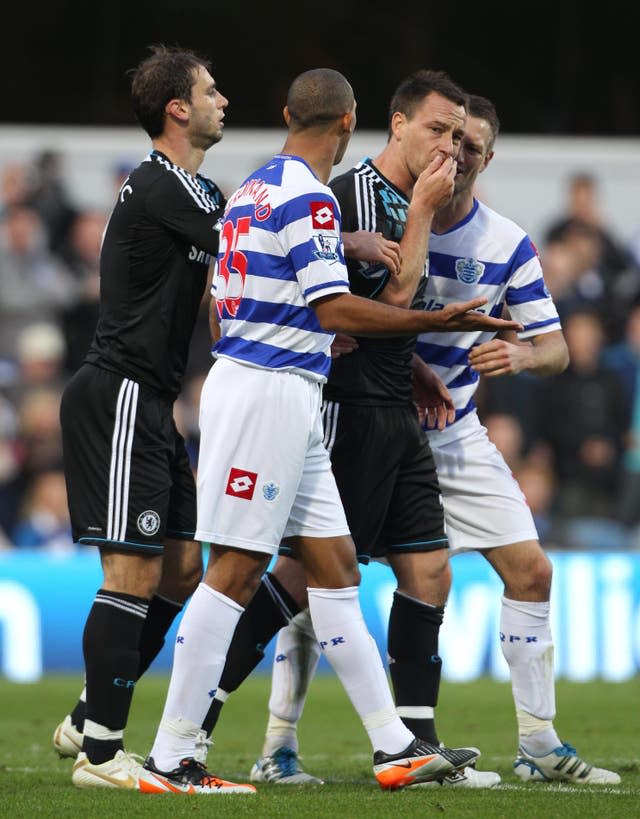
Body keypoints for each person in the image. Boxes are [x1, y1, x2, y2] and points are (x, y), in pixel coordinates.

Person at [137, 68, 523, 796]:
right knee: (237, 570)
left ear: (291, 113)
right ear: (351, 125)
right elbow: (336, 311)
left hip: (282, 386)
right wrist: (439, 322)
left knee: (338, 565)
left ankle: (393, 747)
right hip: (268, 394)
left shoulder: (254, 188)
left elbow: (233, 303)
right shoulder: (309, 196)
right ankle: (170, 754)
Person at [235, 94, 621, 787]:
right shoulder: (372, 207)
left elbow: (556, 346)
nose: (457, 153)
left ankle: (533, 742)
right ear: (417, 138)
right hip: (358, 416)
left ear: (489, 157)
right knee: (309, 577)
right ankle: (276, 742)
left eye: (471, 145)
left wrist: (523, 357)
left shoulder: (505, 242)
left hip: (452, 431)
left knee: (526, 571)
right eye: (448, 138)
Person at [52, 45, 236, 791]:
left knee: (182, 568)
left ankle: (90, 712)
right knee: (130, 569)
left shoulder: (191, 192)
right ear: (178, 109)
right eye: (211, 89)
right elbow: (253, 242)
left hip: (154, 402)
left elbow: (221, 283)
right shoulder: (162, 187)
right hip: (122, 392)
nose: (224, 99)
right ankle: (101, 755)